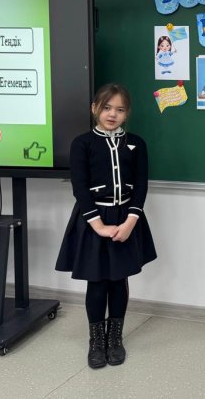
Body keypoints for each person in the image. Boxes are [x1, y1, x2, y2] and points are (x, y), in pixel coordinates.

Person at [56, 84, 157, 370]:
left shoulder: (137, 144)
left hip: (127, 218)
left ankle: (115, 339)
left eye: (120, 109)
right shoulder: (82, 143)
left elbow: (141, 185)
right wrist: (98, 225)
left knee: (118, 280)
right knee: (97, 281)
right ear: (95, 109)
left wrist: (130, 222)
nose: (112, 114)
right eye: (107, 108)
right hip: (93, 220)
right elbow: (80, 188)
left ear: (127, 113)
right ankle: (96, 341)